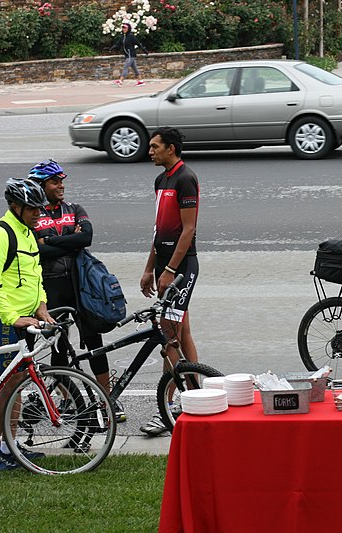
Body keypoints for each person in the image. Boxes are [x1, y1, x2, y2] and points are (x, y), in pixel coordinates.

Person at [27, 160, 124, 421]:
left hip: (80, 286)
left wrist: (51, 241)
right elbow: (38, 250)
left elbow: (86, 238)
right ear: (40, 185)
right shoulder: (33, 213)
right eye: (55, 181)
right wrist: (68, 242)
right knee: (58, 346)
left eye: (61, 180)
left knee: (95, 343)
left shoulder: (75, 208)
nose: (61, 185)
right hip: (51, 287)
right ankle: (67, 399)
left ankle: (108, 400)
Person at [0, 178, 55, 470]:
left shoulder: (28, 233)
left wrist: (42, 307)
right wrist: (12, 317)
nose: (39, 213)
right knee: (6, 385)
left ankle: (10, 443)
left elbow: (35, 276)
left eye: (39, 208)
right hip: (3, 320)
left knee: (18, 383)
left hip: (27, 320)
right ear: (15, 206)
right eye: (33, 208)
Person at [139, 127, 199, 436]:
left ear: (171, 149)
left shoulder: (185, 178)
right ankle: (196, 395)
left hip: (182, 266)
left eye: (155, 146)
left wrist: (170, 270)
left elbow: (187, 230)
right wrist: (150, 267)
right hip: (165, 265)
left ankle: (169, 405)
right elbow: (158, 229)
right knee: (180, 330)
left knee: (169, 334)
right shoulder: (160, 180)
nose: (150, 151)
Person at [109, 21, 148, 87]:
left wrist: (144, 50)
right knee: (135, 68)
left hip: (131, 55)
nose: (124, 29)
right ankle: (141, 81)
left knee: (125, 68)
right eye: (123, 28)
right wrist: (112, 48)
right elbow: (118, 44)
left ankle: (120, 81)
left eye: (125, 28)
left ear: (128, 29)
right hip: (127, 55)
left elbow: (138, 43)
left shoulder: (131, 36)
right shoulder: (123, 37)